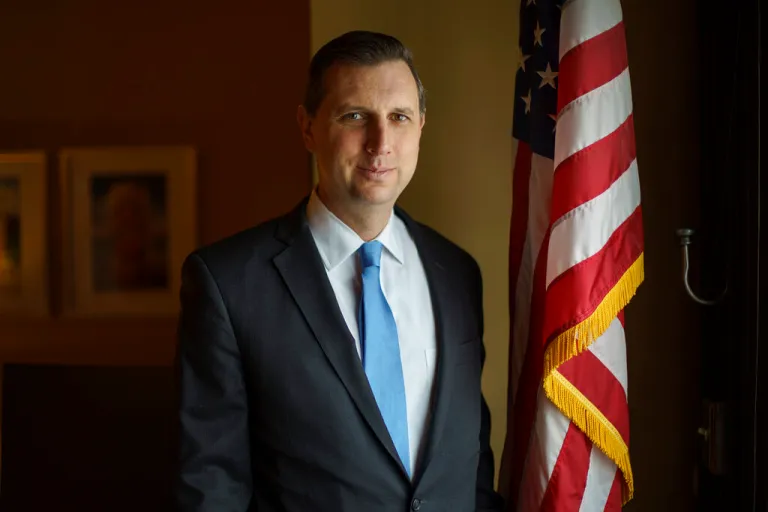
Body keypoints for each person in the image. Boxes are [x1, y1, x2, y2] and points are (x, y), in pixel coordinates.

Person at [175, 30, 504, 512]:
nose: (380, 142)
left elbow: (472, 464)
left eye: (399, 117)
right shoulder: (228, 283)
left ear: (421, 128)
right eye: (355, 117)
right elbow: (211, 486)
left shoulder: (456, 272)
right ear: (308, 128)